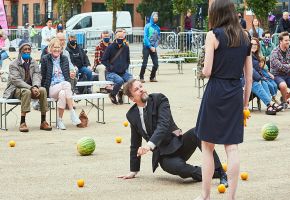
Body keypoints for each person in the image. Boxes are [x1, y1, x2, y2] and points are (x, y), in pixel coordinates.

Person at [118, 79, 228, 186]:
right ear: (132, 98)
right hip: (164, 156)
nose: (141, 90)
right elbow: (135, 143)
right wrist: (134, 170)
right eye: (137, 89)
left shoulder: (159, 99)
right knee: (180, 169)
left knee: (197, 131)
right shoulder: (132, 115)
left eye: (141, 86)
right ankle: (212, 173)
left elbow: (163, 125)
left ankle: (221, 172)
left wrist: (149, 145)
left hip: (178, 143)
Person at [194, 0, 252, 199]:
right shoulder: (245, 36)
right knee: (232, 147)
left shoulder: (213, 35)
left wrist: (202, 69)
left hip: (216, 90)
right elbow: (249, 76)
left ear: (216, 13)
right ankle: (231, 197)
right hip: (235, 90)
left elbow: (207, 71)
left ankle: (205, 195)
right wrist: (245, 103)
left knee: (207, 146)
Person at [3, 42, 52, 132]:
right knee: (26, 92)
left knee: (43, 90)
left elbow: (37, 75)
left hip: (32, 87)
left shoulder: (33, 62)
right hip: (15, 89)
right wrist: (31, 88)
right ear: (20, 51)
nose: (27, 51)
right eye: (25, 49)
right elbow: (16, 81)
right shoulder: (13, 64)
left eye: (29, 49)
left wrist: (36, 86)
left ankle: (43, 121)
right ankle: (22, 122)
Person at [41, 38, 81, 130]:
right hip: (51, 88)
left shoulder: (64, 58)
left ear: (61, 49)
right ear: (50, 48)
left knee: (63, 93)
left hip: (63, 88)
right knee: (66, 84)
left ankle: (59, 121)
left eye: (58, 47)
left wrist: (72, 74)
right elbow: (43, 76)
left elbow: (67, 74)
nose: (56, 49)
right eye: (54, 47)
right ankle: (72, 112)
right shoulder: (45, 59)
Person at [251, 38, 282, 114]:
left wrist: (262, 77)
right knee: (257, 84)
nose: (254, 46)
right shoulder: (247, 55)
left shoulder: (256, 56)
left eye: (256, 44)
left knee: (265, 83)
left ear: (258, 46)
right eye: (252, 44)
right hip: (247, 79)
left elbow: (259, 70)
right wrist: (259, 78)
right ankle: (271, 104)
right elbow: (251, 70)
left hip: (254, 78)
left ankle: (269, 106)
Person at [101, 29, 132, 105]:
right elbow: (103, 60)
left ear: (124, 37)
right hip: (111, 72)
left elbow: (128, 60)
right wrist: (110, 67)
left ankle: (121, 92)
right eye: (118, 36)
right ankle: (112, 94)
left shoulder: (126, 48)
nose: (120, 38)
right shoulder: (110, 47)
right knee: (120, 81)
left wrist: (125, 66)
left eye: (122, 37)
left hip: (123, 72)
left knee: (132, 81)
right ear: (115, 37)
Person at [270, 31, 290, 109]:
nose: (288, 42)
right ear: (280, 41)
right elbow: (280, 67)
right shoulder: (274, 52)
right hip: (277, 75)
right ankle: (284, 102)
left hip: (287, 74)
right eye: (286, 40)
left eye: (289, 40)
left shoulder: (289, 51)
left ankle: (284, 97)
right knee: (283, 85)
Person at [139, 12, 160, 83]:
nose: (156, 18)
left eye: (157, 16)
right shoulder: (147, 26)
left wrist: (154, 46)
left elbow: (158, 38)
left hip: (153, 47)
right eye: (155, 16)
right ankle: (141, 77)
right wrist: (150, 46)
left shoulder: (157, 28)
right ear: (152, 17)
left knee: (156, 64)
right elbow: (145, 38)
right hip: (146, 46)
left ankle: (152, 77)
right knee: (145, 62)